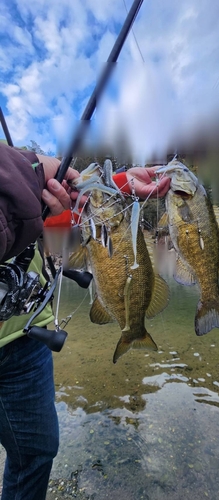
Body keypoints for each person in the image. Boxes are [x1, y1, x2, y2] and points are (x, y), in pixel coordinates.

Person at [0, 142, 170, 500]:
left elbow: (61, 227)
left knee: (36, 452)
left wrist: (120, 184)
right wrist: (34, 170)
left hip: (27, 334)